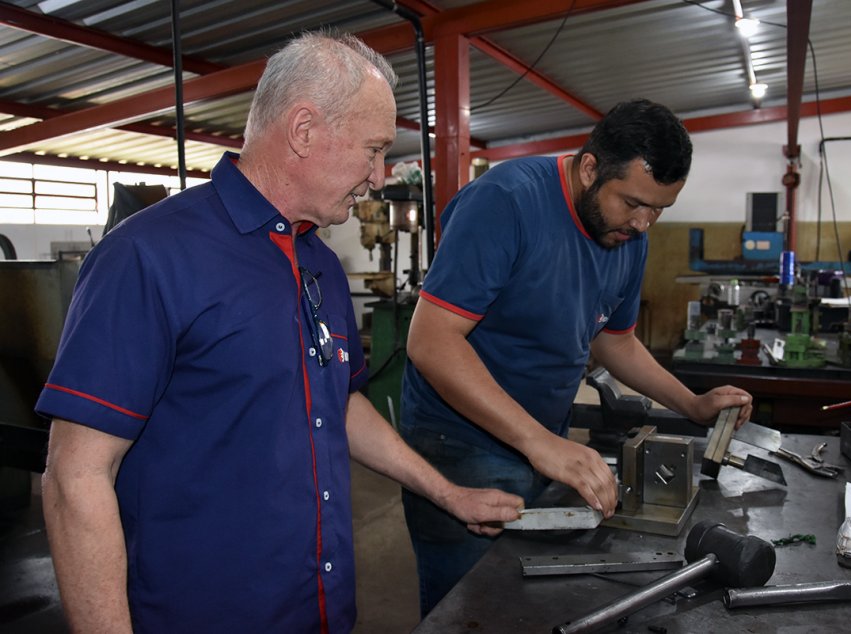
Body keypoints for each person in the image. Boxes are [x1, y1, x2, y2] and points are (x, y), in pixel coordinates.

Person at [37, 31, 523, 633]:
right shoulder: (148, 257)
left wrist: (447, 493)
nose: (377, 176)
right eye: (373, 150)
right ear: (303, 131)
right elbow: (75, 477)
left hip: (317, 610)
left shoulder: (318, 261)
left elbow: (339, 405)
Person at [399, 98, 754, 614]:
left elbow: (615, 341)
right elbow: (431, 341)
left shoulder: (628, 235)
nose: (643, 223)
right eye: (632, 203)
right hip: (461, 443)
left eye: (659, 209)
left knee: (526, 602)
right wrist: (539, 442)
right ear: (589, 167)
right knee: (469, 609)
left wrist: (692, 405)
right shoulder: (504, 203)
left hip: (544, 441)